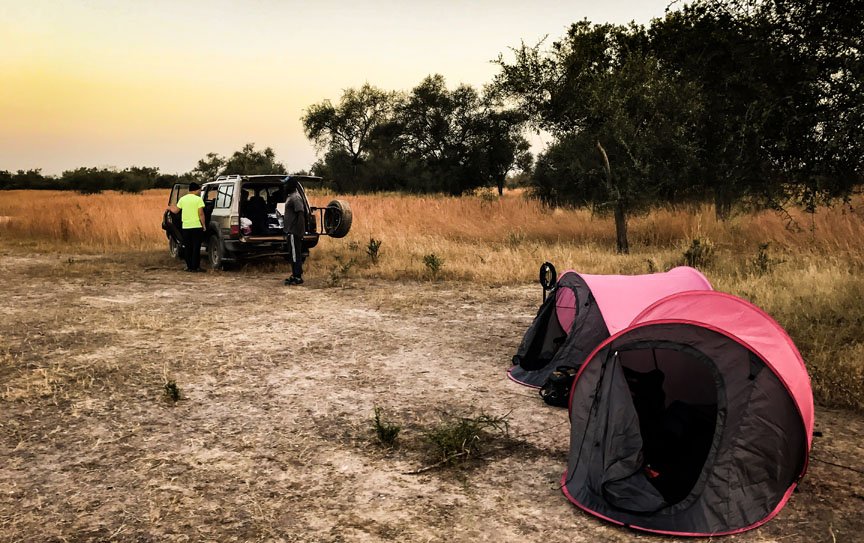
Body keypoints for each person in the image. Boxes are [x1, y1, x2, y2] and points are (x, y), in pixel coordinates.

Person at [167, 182, 206, 272]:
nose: (200, 191)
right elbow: (201, 213)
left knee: (188, 247)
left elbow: (176, 211)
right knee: (196, 247)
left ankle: (189, 267)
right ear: (195, 190)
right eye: (199, 190)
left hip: (186, 227)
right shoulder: (198, 199)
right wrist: (203, 225)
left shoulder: (182, 199)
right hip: (196, 226)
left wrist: (169, 208)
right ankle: (196, 267)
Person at [282, 178, 306, 285]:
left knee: (295, 254)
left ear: (291, 186)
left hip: (294, 231)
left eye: (286, 185)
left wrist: (300, 232)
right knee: (293, 253)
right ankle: (295, 274)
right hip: (290, 231)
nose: (284, 186)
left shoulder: (296, 198)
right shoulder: (291, 197)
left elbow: (301, 215)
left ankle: (297, 276)